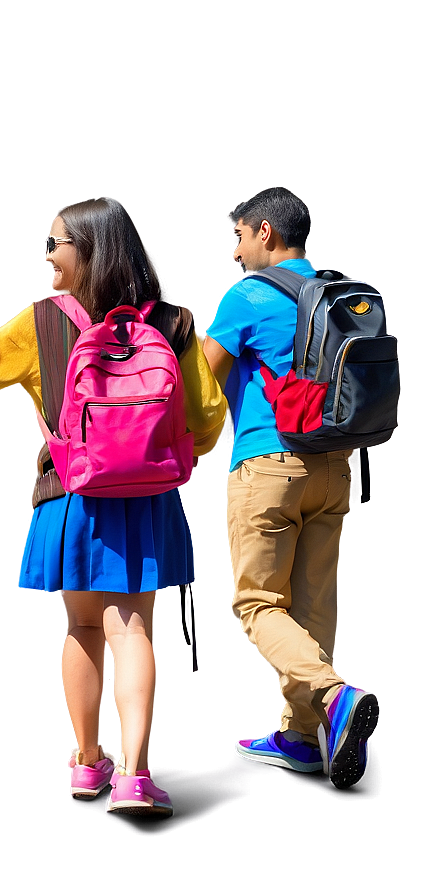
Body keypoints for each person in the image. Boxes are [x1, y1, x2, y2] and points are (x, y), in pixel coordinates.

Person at [0, 197, 227, 813]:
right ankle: (135, 778)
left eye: (53, 244)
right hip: (145, 499)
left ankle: (87, 766)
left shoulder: (40, 325)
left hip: (71, 495)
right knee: (133, 630)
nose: (46, 256)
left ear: (87, 251)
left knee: (82, 627)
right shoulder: (173, 322)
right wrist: (163, 454)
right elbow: (208, 419)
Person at [203, 185, 380, 789]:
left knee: (257, 604)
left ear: (264, 233)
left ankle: (333, 698)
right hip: (337, 468)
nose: (233, 253)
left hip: (269, 466)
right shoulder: (339, 295)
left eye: (238, 237)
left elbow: (201, 385)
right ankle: (302, 739)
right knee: (311, 611)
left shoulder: (247, 296)